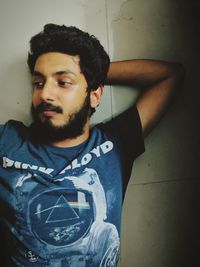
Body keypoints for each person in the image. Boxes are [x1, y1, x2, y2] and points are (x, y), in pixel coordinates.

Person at [0, 24, 184, 267]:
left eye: (63, 82)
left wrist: (93, 71)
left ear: (95, 95)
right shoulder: (7, 141)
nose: (45, 94)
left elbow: (170, 75)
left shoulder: (114, 144)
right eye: (38, 82)